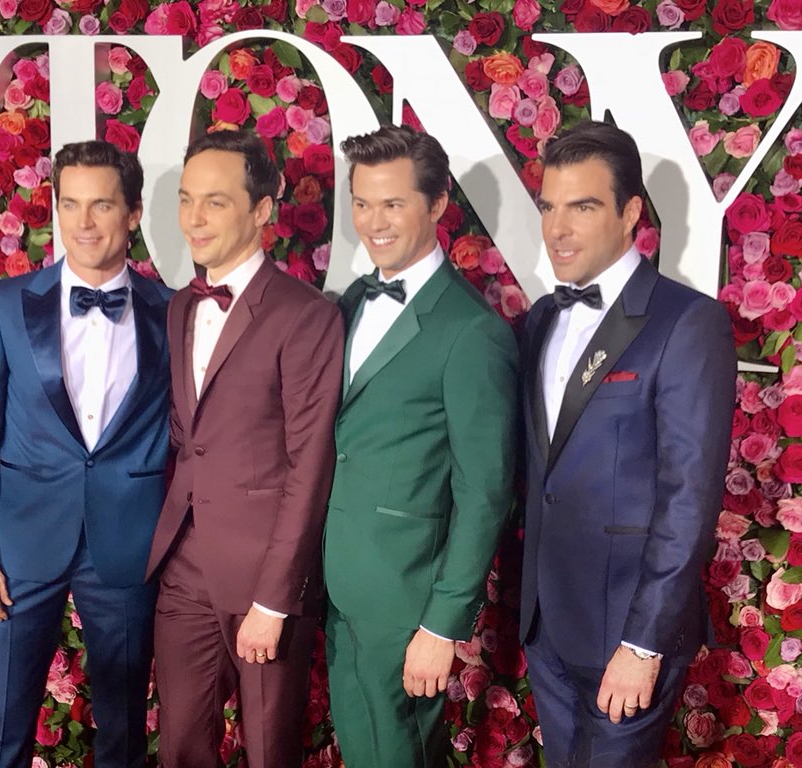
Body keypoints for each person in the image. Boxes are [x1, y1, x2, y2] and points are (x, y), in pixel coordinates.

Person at [518, 121, 737, 768]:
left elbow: (688, 500)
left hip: (627, 632)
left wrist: (643, 645)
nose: (558, 228)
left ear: (630, 213)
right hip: (546, 621)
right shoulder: (541, 318)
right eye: (549, 207)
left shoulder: (687, 322)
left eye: (582, 207)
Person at [0, 140, 173, 768]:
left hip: (128, 547)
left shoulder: (172, 311)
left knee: (124, 734)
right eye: (69, 205)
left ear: (132, 214)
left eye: (101, 205)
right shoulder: (5, 306)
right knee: (2, 731)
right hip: (21, 548)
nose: (82, 223)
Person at [146, 129, 343, 768]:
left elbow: (310, 465)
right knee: (179, 743)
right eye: (186, 200)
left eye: (216, 202)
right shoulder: (180, 307)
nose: (194, 220)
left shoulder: (306, 315)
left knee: (267, 750)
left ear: (262, 210)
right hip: (184, 563)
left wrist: (274, 598)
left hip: (264, 574)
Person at [322, 124, 518, 768]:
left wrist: (441, 625)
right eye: (361, 202)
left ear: (436, 206)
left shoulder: (471, 333)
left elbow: (485, 493)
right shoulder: (349, 301)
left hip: (406, 600)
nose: (373, 222)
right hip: (338, 582)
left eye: (394, 203)